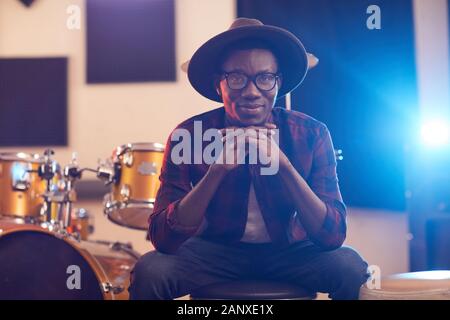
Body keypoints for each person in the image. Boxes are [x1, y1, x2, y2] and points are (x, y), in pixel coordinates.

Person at [129, 18, 369, 300]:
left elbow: (332, 235)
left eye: (265, 78)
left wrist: (284, 167)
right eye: (237, 78)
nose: (252, 91)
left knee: (350, 267)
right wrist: (216, 172)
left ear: (279, 83)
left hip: (290, 253)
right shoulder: (188, 135)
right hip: (213, 253)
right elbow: (163, 239)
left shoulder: (312, 133)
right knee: (150, 270)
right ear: (219, 85)